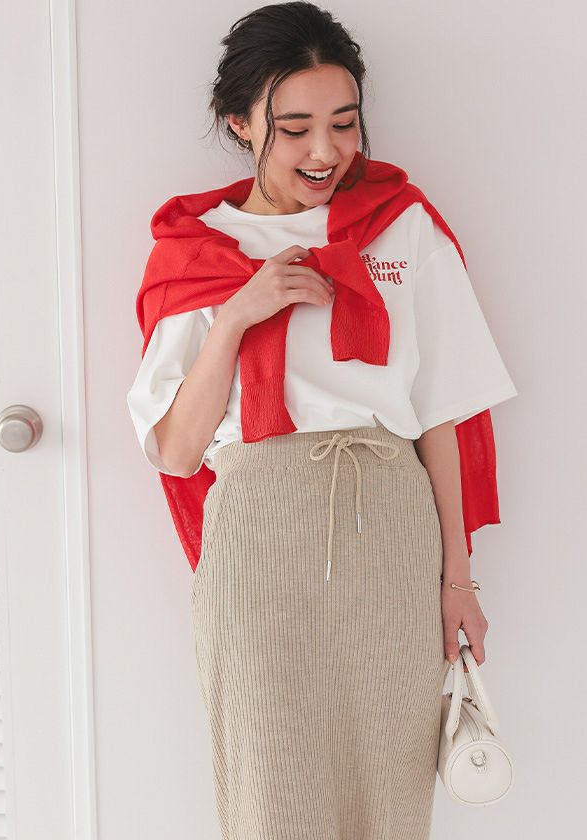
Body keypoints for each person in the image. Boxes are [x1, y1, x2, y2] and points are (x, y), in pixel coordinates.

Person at [127, 3, 518, 838]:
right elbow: (178, 450)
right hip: (258, 538)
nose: (325, 151)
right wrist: (240, 313)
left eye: (343, 123)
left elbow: (441, 415)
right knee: (272, 789)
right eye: (295, 128)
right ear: (239, 123)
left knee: (390, 789)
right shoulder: (196, 251)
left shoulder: (402, 226)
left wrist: (458, 581)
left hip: (390, 528)